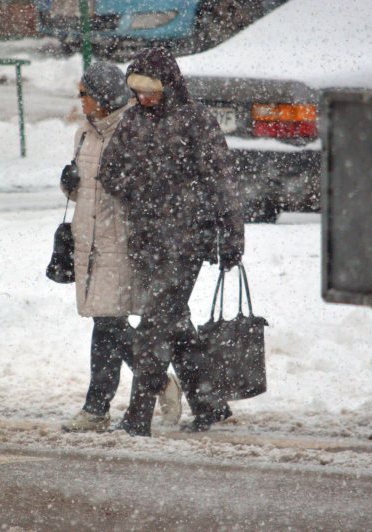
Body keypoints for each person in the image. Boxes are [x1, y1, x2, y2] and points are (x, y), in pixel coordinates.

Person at [96, 48, 245, 436]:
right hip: (147, 240)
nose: (144, 98)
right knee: (174, 323)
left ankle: (138, 416)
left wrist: (231, 235)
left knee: (154, 327)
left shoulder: (196, 120)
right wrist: (144, 189)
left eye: (150, 90)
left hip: (187, 241)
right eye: (137, 90)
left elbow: (221, 180)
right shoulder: (133, 121)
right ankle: (209, 403)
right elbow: (110, 172)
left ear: (169, 85)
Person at [60, 61, 182, 433]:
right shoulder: (84, 135)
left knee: (108, 322)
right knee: (106, 321)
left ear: (104, 97)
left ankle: (104, 404)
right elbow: (86, 192)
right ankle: (131, 391)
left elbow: (143, 190)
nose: (80, 102)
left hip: (121, 243)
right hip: (90, 242)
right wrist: (69, 185)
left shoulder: (131, 132)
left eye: (85, 94)